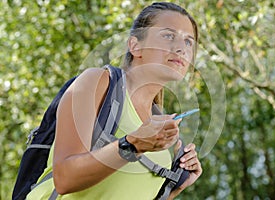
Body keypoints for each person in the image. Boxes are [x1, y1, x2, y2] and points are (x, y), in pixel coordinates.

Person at [26, 2, 202, 200]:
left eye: (188, 41)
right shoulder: (97, 81)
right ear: (135, 46)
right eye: (168, 36)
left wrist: (174, 188)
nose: (181, 48)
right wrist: (132, 144)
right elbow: (64, 178)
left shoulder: (160, 125)